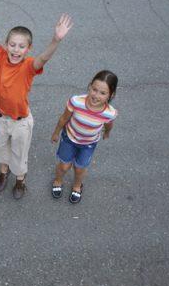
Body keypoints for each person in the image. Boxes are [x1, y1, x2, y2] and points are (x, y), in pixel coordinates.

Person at [0, 0, 73, 199]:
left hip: (21, 121)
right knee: (1, 150)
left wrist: (56, 40)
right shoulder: (0, 57)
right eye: (12, 45)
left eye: (21, 46)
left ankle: (20, 180)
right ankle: (3, 173)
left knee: (20, 153)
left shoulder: (28, 66)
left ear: (28, 49)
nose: (16, 50)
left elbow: (44, 58)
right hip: (0, 117)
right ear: (6, 45)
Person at [50, 70, 118, 204]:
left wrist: (107, 133)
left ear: (111, 94)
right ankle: (58, 180)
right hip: (69, 138)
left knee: (79, 168)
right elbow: (64, 118)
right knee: (64, 166)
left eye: (103, 93)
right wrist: (56, 132)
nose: (96, 95)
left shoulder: (110, 113)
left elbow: (109, 125)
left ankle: (77, 185)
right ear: (90, 86)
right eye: (94, 89)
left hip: (89, 144)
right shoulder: (76, 102)